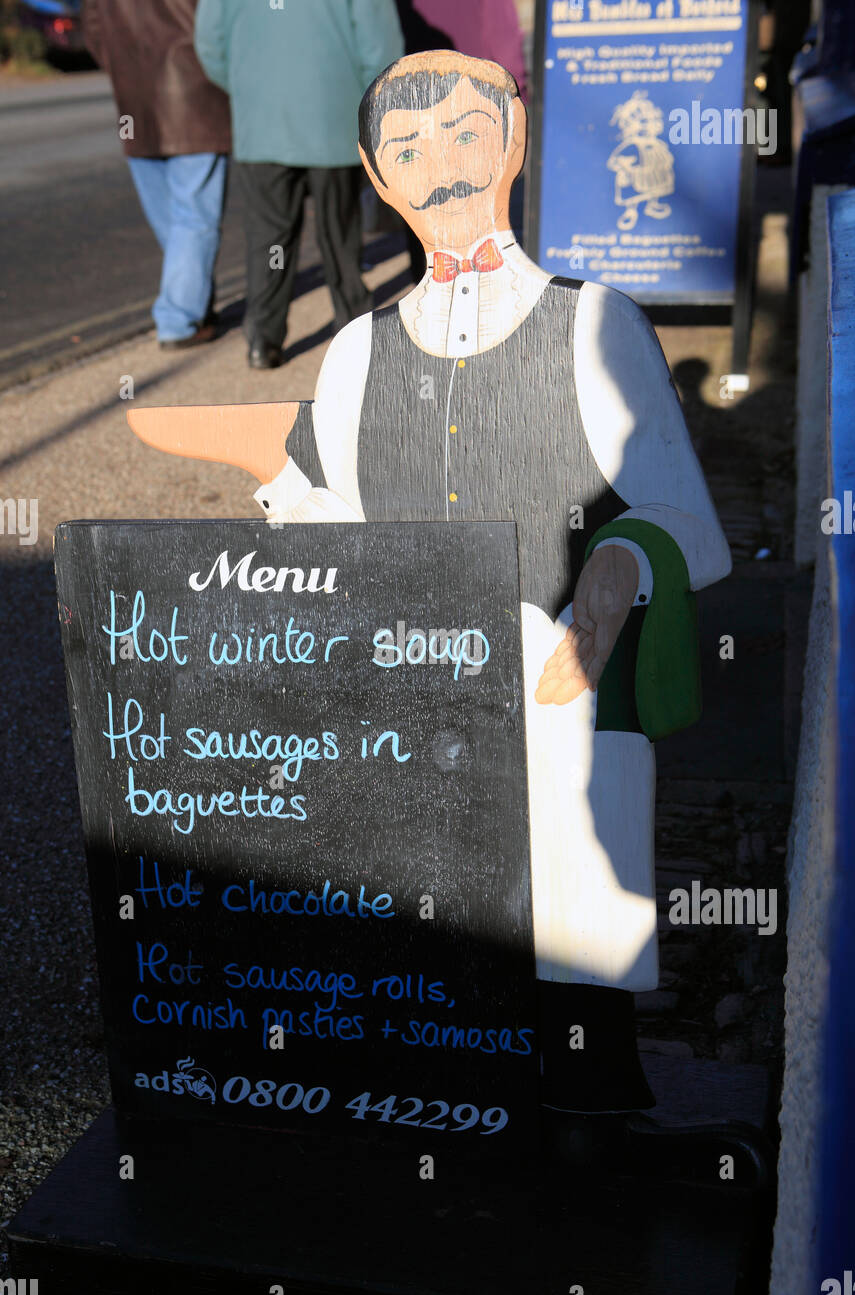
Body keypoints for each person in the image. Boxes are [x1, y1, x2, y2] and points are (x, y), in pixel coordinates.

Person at [129, 51, 734, 1139]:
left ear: (514, 140)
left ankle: (593, 1120)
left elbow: (689, 523)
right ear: (376, 173)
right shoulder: (359, 351)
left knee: (568, 927)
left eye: (464, 133)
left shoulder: (599, 325)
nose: (440, 166)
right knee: (435, 941)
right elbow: (331, 524)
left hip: (563, 703)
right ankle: (454, 1105)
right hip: (412, 708)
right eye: (408, 150)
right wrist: (273, 510)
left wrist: (616, 568)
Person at [194, 0, 404, 369]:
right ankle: (353, 328)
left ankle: (264, 338)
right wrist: (369, 101)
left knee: (268, 238)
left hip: (261, 121)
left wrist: (246, 86)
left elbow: (210, 42)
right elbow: (380, 45)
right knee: (340, 233)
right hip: (333, 115)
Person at [82, 0, 231, 350]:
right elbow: (221, 21)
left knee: (172, 219)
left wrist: (121, 62)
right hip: (196, 92)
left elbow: (91, 26)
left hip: (134, 96)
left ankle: (194, 301)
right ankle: (178, 318)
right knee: (193, 219)